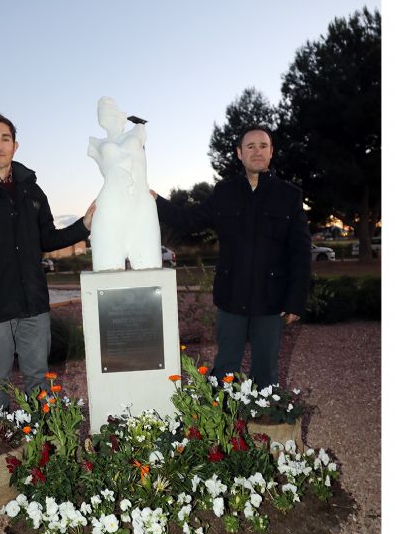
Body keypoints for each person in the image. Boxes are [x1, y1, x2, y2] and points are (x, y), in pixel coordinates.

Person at [0, 111, 96, 410]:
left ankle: (44, 438)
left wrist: (84, 226)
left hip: (33, 305)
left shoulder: (31, 190)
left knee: (40, 384)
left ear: (15, 145)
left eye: (5, 139)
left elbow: (47, 239)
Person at [153, 125, 311, 389]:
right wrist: (156, 201)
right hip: (231, 297)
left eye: (263, 146)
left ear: (271, 152)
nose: (257, 151)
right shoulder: (224, 192)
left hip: (271, 300)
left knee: (266, 371)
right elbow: (188, 220)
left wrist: (295, 301)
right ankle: (221, 413)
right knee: (225, 367)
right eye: (250, 146)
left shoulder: (289, 195)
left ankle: (264, 415)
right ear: (240, 153)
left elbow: (301, 252)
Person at [88, 97, 161, 271]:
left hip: (141, 206)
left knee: (150, 269)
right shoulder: (96, 144)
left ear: (119, 114)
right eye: (101, 111)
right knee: (107, 271)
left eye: (108, 109)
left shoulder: (137, 132)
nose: (104, 115)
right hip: (109, 208)